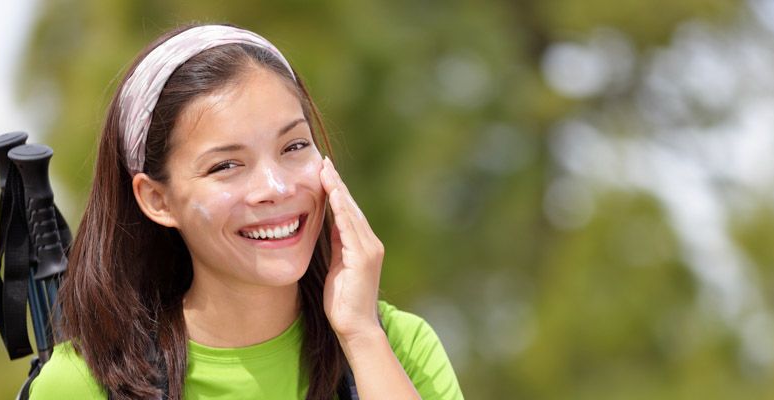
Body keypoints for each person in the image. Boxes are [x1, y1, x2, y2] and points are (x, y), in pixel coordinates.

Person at [27, 23, 463, 399]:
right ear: (157, 200)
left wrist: (361, 336)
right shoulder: (84, 384)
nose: (275, 188)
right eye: (226, 165)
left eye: (294, 146)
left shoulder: (399, 347)